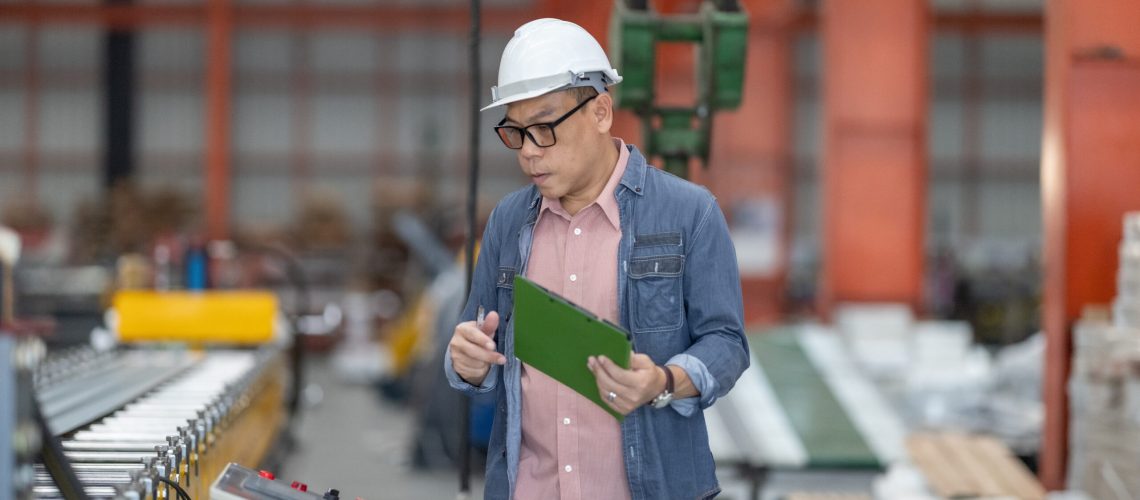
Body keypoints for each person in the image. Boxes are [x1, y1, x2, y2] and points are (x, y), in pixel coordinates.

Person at [445, 18, 749, 500]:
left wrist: (663, 381)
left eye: (544, 129)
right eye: (515, 133)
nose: (528, 153)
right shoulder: (508, 221)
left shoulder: (690, 213)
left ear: (601, 112)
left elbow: (727, 343)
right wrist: (467, 361)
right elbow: (475, 342)